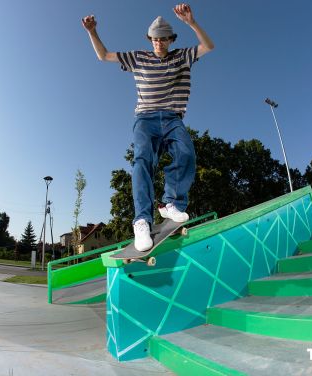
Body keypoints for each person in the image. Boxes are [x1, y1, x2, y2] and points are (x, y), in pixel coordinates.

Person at [82, 4, 215, 252]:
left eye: (163, 40)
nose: (159, 44)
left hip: (173, 118)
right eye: (155, 39)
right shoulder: (138, 57)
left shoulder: (181, 56)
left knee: (186, 153)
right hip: (145, 119)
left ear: (171, 40)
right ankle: (142, 220)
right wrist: (92, 31)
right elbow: (104, 56)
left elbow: (208, 47)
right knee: (143, 160)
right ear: (150, 39)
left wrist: (192, 23)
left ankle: (170, 203)